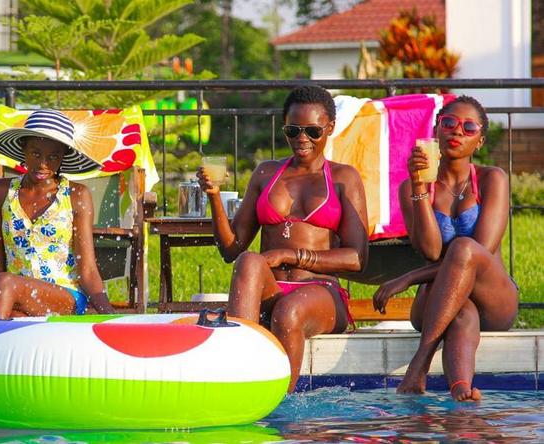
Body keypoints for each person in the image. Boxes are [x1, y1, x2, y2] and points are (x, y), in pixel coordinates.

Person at [197, 85, 369, 392]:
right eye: (293, 130)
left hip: (319, 291)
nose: (302, 139)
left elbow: (357, 258)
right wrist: (213, 197)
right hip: (271, 290)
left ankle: (279, 402)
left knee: (288, 310)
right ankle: (237, 384)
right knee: (249, 260)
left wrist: (291, 255)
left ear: (330, 128)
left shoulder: (344, 178)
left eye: (313, 131)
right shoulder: (266, 173)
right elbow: (230, 248)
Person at [373, 96, 518, 402]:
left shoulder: (493, 179)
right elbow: (430, 249)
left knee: (465, 247)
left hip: (493, 297)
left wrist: (409, 278)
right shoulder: (411, 188)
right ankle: (462, 392)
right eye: (449, 123)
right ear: (436, 128)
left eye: (468, 127)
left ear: (479, 141)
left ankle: (420, 362)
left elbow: (481, 252)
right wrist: (418, 189)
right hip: (442, 298)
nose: (457, 132)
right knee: (461, 313)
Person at [0, 109, 116, 317]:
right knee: (10, 315)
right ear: (23, 149)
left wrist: (110, 319)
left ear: (63, 157)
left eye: (53, 157)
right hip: (13, 296)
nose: (43, 164)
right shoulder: (1, 191)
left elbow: (88, 269)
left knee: (4, 282)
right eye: (36, 154)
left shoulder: (76, 195)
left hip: (64, 296)